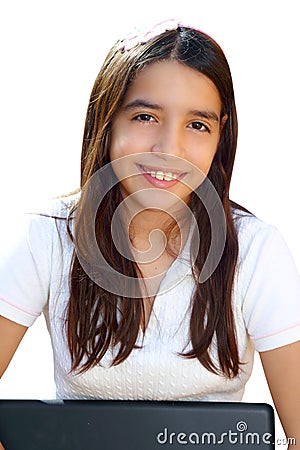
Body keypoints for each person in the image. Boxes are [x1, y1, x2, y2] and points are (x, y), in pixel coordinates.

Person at [0, 19, 299, 446]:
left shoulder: (256, 251)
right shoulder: (46, 238)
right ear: (106, 122)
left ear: (220, 136)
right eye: (145, 116)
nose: (169, 148)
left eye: (197, 125)